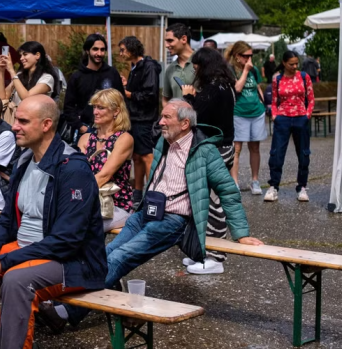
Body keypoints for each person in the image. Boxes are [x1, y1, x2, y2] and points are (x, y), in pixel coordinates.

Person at [0, 95, 104, 349]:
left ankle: (12, 341)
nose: (14, 126)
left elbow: (66, 241)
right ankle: (5, 338)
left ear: (46, 124)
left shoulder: (73, 169)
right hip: (25, 249)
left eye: (23, 121)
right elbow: (7, 220)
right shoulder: (25, 160)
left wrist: (3, 261)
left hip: (71, 262)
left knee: (16, 280)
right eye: (15, 119)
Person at [103, 100, 264, 287]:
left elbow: (227, 191)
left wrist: (241, 234)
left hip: (172, 220)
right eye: (161, 116)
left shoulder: (204, 151)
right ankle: (89, 292)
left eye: (166, 117)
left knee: (120, 257)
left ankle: (72, 307)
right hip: (146, 214)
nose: (160, 122)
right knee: (107, 253)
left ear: (185, 124)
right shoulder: (164, 141)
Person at [180, 48, 237, 275]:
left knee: (212, 202)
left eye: (196, 68)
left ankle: (215, 257)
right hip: (225, 147)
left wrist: (188, 98)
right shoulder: (227, 85)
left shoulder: (213, 89)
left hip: (215, 149)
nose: (195, 73)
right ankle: (202, 250)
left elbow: (194, 118)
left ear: (204, 67)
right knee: (205, 199)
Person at [76, 89, 135, 231]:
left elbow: (104, 176)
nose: (95, 112)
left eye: (101, 108)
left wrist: (75, 194)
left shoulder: (124, 139)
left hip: (115, 205)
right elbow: (76, 172)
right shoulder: (86, 138)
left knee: (78, 227)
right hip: (87, 202)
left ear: (116, 111)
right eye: (94, 107)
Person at [264, 51, 315, 203]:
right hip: (283, 119)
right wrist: (275, 115)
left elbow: (311, 98)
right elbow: (274, 100)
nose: (294, 66)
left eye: (296, 63)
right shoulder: (277, 79)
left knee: (303, 153)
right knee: (277, 153)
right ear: (284, 63)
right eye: (291, 64)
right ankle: (274, 186)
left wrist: (307, 114)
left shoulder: (304, 77)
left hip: (301, 118)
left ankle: (302, 187)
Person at [119, 36, 162, 206]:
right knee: (136, 156)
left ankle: (151, 193)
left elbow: (150, 94)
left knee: (146, 156)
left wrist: (129, 94)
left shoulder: (148, 67)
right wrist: (127, 85)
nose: (121, 54)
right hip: (135, 118)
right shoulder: (135, 67)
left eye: (123, 50)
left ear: (131, 49)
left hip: (144, 119)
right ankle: (137, 193)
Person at [62, 34, 125, 136]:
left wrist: (118, 126)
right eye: (95, 49)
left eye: (102, 50)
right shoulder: (77, 76)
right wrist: (81, 128)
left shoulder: (112, 73)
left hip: (111, 130)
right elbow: (68, 108)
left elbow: (122, 102)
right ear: (87, 50)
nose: (99, 53)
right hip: (85, 130)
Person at [227, 41, 266, 195]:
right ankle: (234, 182)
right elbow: (237, 88)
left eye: (251, 56)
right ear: (237, 56)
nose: (249, 59)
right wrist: (245, 71)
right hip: (239, 113)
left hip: (256, 112)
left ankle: (255, 181)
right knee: (237, 149)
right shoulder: (231, 70)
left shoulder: (254, 70)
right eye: (246, 56)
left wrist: (264, 105)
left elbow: (257, 88)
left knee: (255, 148)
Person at [161, 23, 197, 103]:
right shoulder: (170, 68)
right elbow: (165, 99)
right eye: (166, 41)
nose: (166, 45)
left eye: (170, 40)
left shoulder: (203, 62)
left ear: (184, 39)